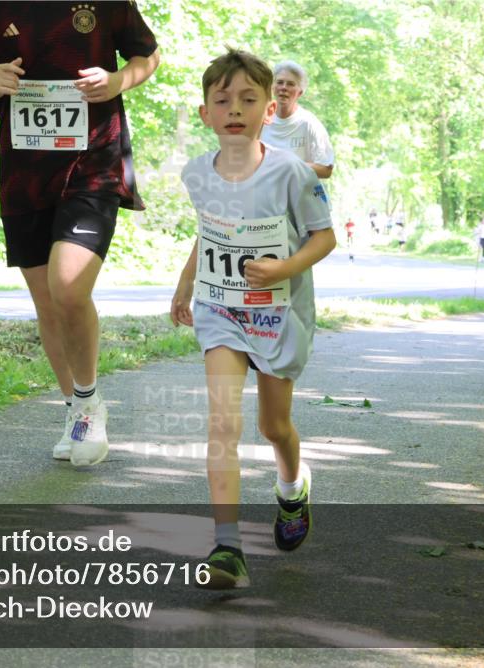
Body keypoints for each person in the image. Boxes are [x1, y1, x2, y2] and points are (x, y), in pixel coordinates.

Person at [0, 2, 159, 466]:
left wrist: (117, 80)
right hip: (24, 177)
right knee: (48, 300)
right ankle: (75, 409)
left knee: (68, 286)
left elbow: (148, 54)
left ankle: (87, 404)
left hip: (93, 167)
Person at [170, 49, 335, 589]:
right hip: (220, 311)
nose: (234, 109)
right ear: (205, 113)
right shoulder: (198, 172)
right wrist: (186, 283)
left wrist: (284, 267)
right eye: (223, 101)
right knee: (223, 423)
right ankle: (227, 548)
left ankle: (292, 488)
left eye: (248, 99)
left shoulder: (291, 172)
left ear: (269, 109)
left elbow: (324, 236)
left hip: (277, 312)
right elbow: (212, 230)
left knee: (272, 426)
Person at [262, 61, 334, 180]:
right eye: (280, 82)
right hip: (266, 195)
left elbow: (326, 169)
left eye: (290, 84)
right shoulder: (260, 121)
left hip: (299, 195)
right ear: (273, 87)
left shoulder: (309, 123)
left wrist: (289, 167)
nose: (284, 88)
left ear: (300, 92)